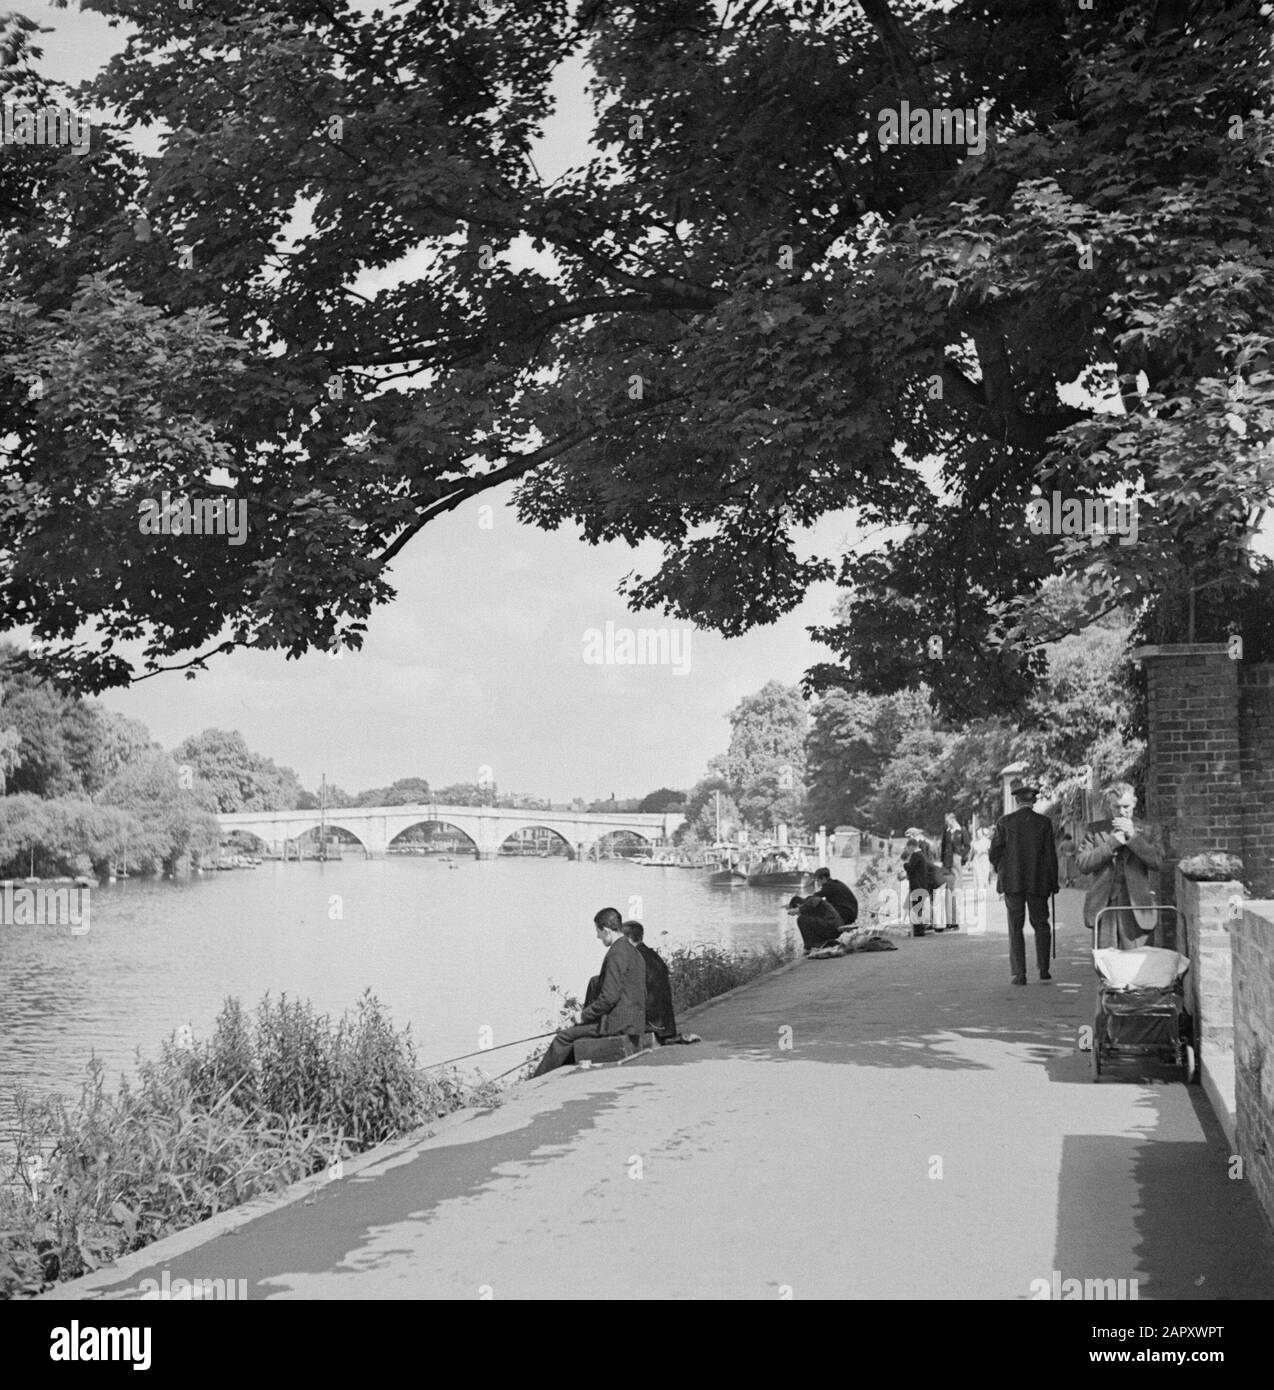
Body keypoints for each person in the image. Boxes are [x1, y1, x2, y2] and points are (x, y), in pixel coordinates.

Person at [532, 907, 647, 1076]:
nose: (597, 936)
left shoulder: (616, 954)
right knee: (577, 1035)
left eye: (598, 932)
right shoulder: (633, 951)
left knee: (563, 1038)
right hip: (634, 1020)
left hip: (619, 1023)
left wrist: (583, 1015)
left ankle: (537, 1081)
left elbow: (609, 997)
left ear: (606, 930)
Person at [1076, 782, 1164, 948]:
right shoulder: (1095, 830)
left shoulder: (1149, 830)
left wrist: (1133, 837)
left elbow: (1157, 861)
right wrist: (1110, 845)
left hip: (1137, 907)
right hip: (1105, 905)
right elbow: (1082, 864)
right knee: (1106, 964)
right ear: (1109, 806)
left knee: (1137, 964)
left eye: (1126, 806)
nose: (1122, 812)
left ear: (1135, 803)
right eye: (1116, 807)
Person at [989, 779, 1059, 985]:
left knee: (1015, 926)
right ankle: (1044, 969)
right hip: (1038, 882)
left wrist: (1001, 868)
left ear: (1017, 800)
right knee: (1041, 924)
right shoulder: (1044, 823)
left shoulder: (1004, 822)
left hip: (1012, 882)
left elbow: (994, 852)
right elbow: (1050, 856)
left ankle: (1020, 973)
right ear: (1034, 801)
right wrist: (1053, 882)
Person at [622, 920, 677, 1041]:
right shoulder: (651, 955)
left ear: (628, 939)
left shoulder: (635, 959)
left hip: (651, 1022)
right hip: (664, 1023)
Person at [939, 811, 970, 932]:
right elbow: (943, 847)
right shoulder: (946, 831)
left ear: (953, 820)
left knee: (956, 889)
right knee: (947, 890)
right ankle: (949, 919)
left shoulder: (961, 830)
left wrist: (961, 856)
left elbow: (967, 846)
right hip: (947, 862)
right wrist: (942, 862)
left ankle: (955, 918)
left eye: (948, 822)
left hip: (956, 859)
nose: (947, 824)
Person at [900, 835, 931, 936]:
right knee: (918, 908)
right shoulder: (920, 855)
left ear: (912, 847)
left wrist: (904, 864)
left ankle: (918, 930)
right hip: (920, 884)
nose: (908, 851)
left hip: (917, 885)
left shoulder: (916, 855)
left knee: (916, 908)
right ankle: (918, 929)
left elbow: (910, 868)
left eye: (908, 848)